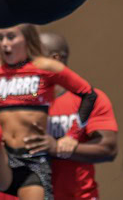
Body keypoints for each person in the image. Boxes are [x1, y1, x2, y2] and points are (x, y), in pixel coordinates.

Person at [0, 24, 97, 200]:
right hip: (4, 159)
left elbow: (89, 95)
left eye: (11, 37)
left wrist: (72, 135)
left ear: (27, 39)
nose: (5, 43)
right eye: (1, 38)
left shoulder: (46, 67)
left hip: (32, 160)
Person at [34, 32, 116, 200]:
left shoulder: (88, 99)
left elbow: (109, 148)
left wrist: (56, 148)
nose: (27, 62)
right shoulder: (22, 103)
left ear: (55, 59)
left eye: (34, 56)